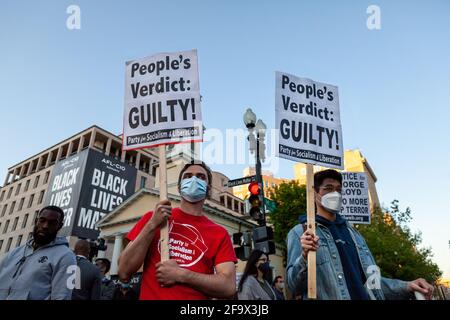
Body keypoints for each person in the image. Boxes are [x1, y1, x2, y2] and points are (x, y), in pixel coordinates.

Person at [286, 169, 435, 300]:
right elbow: (293, 285)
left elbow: (373, 283)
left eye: (338, 189)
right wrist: (305, 257)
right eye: (328, 188)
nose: (335, 194)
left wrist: (408, 286)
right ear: (314, 195)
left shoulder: (354, 234)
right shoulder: (301, 232)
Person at [118, 161, 237, 300]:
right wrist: (152, 225)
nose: (194, 180)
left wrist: (181, 275)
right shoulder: (154, 218)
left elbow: (228, 287)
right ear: (180, 187)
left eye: (200, 177)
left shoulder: (219, 233)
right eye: (188, 176)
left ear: (208, 189)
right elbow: (124, 271)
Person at [0, 206, 76, 300]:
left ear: (59, 226)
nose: (45, 226)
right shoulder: (15, 252)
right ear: (36, 221)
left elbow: (62, 296)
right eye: (42, 220)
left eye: (52, 223)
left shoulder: (66, 256)